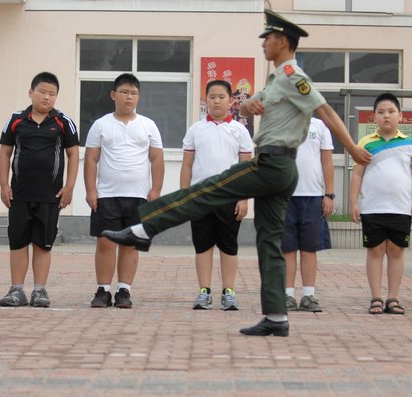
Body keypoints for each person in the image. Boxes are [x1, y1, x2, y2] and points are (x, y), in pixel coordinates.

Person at [102, 9, 372, 336]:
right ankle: (276, 317)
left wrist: (352, 148)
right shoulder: (276, 79)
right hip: (279, 166)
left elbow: (324, 109)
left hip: (273, 164)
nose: (263, 44)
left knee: (207, 189)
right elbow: (248, 105)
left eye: (268, 38)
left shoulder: (294, 75)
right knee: (270, 242)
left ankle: (143, 229)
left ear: (282, 41)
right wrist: (248, 106)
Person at [0, 72, 79, 308]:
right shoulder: (15, 120)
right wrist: (4, 185)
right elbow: (4, 153)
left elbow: (73, 154)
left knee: (43, 244)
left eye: (52, 93)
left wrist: (69, 187)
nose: (46, 97)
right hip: (19, 195)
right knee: (18, 242)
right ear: (31, 93)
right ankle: (16, 290)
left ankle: (40, 291)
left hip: (50, 196)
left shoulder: (64, 122)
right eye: (42, 91)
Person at [84, 73, 164, 309]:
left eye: (134, 93)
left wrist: (156, 191)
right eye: (124, 92)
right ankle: (103, 290)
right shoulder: (101, 124)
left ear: (138, 96)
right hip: (106, 195)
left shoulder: (148, 125)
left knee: (130, 244)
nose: (129, 97)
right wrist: (91, 191)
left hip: (139, 197)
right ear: (113, 95)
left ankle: (124, 291)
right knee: (105, 243)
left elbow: (157, 159)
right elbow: (91, 159)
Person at [180, 79, 253, 310]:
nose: (217, 101)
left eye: (222, 97)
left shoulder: (240, 130)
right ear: (206, 101)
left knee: (228, 245)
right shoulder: (196, 129)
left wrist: (243, 199)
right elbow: (187, 166)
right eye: (212, 97)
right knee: (203, 246)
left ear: (231, 101)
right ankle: (204, 291)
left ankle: (228, 291)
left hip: (229, 198)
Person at [350, 93, 411, 315]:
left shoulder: (409, 143)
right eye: (381, 112)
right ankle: (376, 297)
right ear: (373, 117)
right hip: (372, 207)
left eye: (391, 112)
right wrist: (353, 202)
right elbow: (357, 174)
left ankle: (393, 298)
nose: (386, 116)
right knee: (375, 251)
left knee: (396, 251)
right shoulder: (366, 143)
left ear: (401, 117)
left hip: (401, 208)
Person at [282, 117, 334, 312]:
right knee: (287, 248)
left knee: (309, 248)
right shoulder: (279, 122)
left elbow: (327, 162)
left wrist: (328, 194)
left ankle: (308, 295)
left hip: (313, 197)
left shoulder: (320, 126)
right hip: (284, 196)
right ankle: (287, 296)